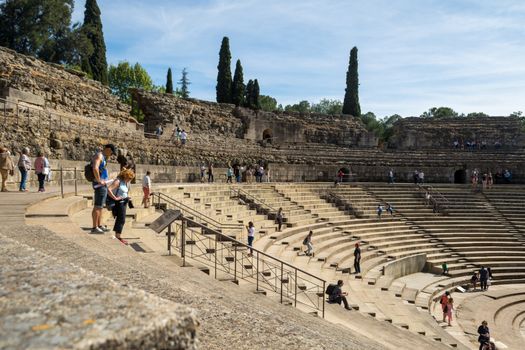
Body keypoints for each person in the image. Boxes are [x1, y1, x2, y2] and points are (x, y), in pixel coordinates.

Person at [91, 144, 116, 234]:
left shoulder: (104, 157)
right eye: (111, 152)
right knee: (98, 206)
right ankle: (95, 227)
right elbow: (95, 168)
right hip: (100, 185)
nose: (112, 154)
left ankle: (99, 225)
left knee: (101, 206)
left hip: (103, 184)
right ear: (108, 149)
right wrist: (99, 180)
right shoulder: (99, 156)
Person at [107, 168, 135, 245]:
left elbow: (123, 192)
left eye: (131, 179)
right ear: (125, 176)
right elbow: (108, 189)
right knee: (121, 219)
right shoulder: (118, 181)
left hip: (123, 202)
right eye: (129, 178)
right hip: (119, 203)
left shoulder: (124, 182)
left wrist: (127, 197)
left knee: (121, 219)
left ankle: (118, 235)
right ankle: (118, 236)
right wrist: (115, 198)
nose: (130, 180)